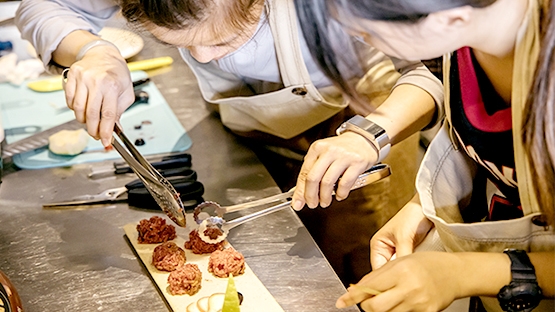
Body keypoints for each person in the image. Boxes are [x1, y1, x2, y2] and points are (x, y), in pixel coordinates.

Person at [15, 0, 442, 284]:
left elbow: (439, 73)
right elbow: (42, 6)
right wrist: (94, 51)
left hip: (363, 133)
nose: (202, 57)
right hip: (248, 132)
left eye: (222, 40)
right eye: (178, 43)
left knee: (350, 270)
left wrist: (371, 133)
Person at [294, 0, 555, 311]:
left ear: (449, 19)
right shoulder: (463, 40)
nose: (363, 40)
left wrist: (463, 274)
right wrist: (424, 206)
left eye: (367, 32)